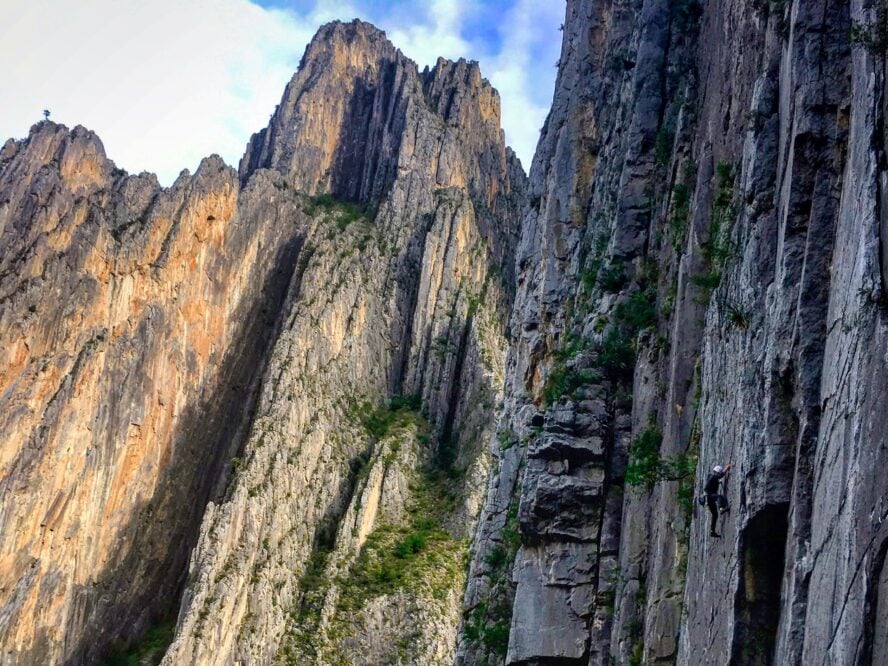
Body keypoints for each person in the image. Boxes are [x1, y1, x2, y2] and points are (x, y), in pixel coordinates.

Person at [704, 463, 732, 537]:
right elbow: (721, 475)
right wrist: (727, 468)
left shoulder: (710, 476)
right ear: (716, 472)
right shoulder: (713, 476)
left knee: (715, 515)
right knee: (719, 497)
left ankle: (712, 531)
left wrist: (718, 482)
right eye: (717, 473)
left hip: (708, 498)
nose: (717, 474)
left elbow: (712, 482)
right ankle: (721, 509)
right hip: (710, 496)